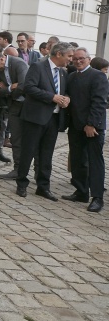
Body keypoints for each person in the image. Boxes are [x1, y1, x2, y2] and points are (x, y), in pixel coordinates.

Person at [16, 42, 74, 200]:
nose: (71, 59)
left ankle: (43, 186)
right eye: (69, 56)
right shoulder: (38, 67)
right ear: (59, 54)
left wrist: (66, 98)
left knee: (46, 154)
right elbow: (29, 88)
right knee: (28, 151)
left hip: (54, 119)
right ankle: (21, 183)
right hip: (35, 118)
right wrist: (52, 97)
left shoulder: (63, 73)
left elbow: (65, 91)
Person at [62, 48, 108, 211]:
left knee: (95, 162)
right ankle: (81, 191)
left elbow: (99, 102)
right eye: (75, 59)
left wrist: (91, 124)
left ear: (89, 59)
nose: (78, 61)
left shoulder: (98, 76)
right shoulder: (72, 76)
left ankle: (97, 197)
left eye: (82, 58)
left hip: (92, 127)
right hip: (75, 126)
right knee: (77, 159)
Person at [0, 52, 29, 179]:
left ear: (2, 59)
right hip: (13, 106)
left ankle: (37, 171)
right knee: (16, 138)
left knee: (31, 139)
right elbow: (0, 90)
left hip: (27, 105)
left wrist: (8, 90)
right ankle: (18, 169)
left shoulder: (19, 63)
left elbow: (23, 86)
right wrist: (10, 88)